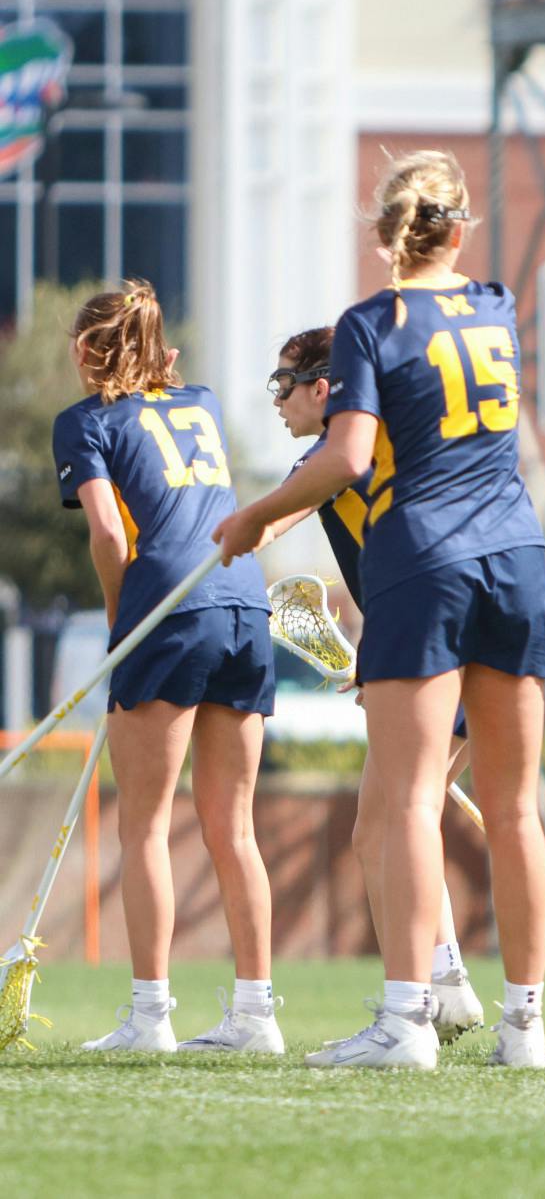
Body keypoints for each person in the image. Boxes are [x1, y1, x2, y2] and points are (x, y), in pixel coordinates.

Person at [217, 150, 545, 1069]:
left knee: (409, 802)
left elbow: (348, 458)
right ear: (458, 229)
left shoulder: (370, 323)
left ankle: (408, 1020)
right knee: (516, 807)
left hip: (427, 559)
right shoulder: (496, 306)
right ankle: (524, 1027)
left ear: (385, 233)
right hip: (517, 553)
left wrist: (255, 515)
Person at [53, 280, 282, 1054]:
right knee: (234, 826)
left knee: (144, 824)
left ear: (88, 351)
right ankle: (257, 1014)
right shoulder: (205, 400)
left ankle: (150, 1015)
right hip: (246, 603)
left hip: (168, 607)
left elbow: (110, 535)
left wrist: (122, 624)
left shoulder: (85, 420)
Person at [263, 326, 485, 1045]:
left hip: (443, 651)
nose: (276, 400)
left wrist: (220, 532)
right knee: (385, 827)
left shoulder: (341, 455)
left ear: (325, 388)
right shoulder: (392, 444)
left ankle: (421, 1002)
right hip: (454, 639)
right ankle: (453, 986)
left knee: (392, 825)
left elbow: (272, 519)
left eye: (284, 385)